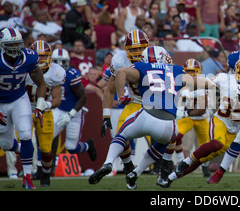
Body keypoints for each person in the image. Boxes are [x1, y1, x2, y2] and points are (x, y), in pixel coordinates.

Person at [90, 46, 199, 189]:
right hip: (162, 115)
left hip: (144, 109)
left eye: (140, 49)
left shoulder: (140, 65)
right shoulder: (174, 69)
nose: (136, 52)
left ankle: (109, 162)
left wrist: (120, 97)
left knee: (121, 135)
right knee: (169, 139)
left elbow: (118, 77)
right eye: (133, 49)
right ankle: (143, 171)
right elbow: (196, 83)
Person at [160, 56, 240, 188]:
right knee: (216, 144)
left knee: (202, 159)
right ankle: (185, 162)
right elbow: (204, 83)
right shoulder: (225, 78)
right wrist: (184, 84)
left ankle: (169, 179)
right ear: (237, 69)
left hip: (234, 130)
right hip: (220, 120)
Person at [0, 27, 47, 189]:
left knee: (25, 133)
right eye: (11, 44)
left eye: (18, 44)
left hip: (19, 99)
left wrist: (39, 106)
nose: (15, 47)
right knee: (5, 145)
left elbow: (41, 83)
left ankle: (28, 177)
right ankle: (22, 150)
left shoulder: (29, 58)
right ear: (2, 45)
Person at [99, 29, 150, 174]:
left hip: (156, 103)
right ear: (126, 49)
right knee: (119, 135)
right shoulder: (119, 60)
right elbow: (109, 90)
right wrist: (106, 115)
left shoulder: (155, 56)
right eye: (134, 49)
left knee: (167, 136)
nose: (139, 52)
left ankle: (164, 165)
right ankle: (128, 165)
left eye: (141, 48)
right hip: (134, 102)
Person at [158, 58, 210, 184]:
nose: (191, 74)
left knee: (205, 146)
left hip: (200, 118)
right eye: (188, 71)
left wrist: (187, 111)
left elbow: (202, 109)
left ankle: (205, 168)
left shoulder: (202, 84)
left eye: (194, 71)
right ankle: (180, 161)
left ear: (199, 71)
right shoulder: (180, 83)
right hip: (187, 118)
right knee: (175, 135)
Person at [26, 40, 66, 186]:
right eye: (38, 56)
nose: (41, 59)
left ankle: (46, 175)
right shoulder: (24, 68)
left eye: (44, 56)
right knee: (23, 142)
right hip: (25, 110)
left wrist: (44, 105)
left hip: (45, 112)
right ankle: (27, 172)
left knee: (46, 148)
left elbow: (57, 99)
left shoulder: (56, 72)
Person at [51, 48, 96, 172]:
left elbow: (83, 97)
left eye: (63, 62)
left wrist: (71, 114)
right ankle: (43, 169)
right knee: (46, 139)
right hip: (58, 110)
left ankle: (88, 146)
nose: (60, 65)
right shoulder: (48, 72)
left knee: (71, 147)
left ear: (68, 62)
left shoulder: (71, 74)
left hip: (74, 112)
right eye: (57, 62)